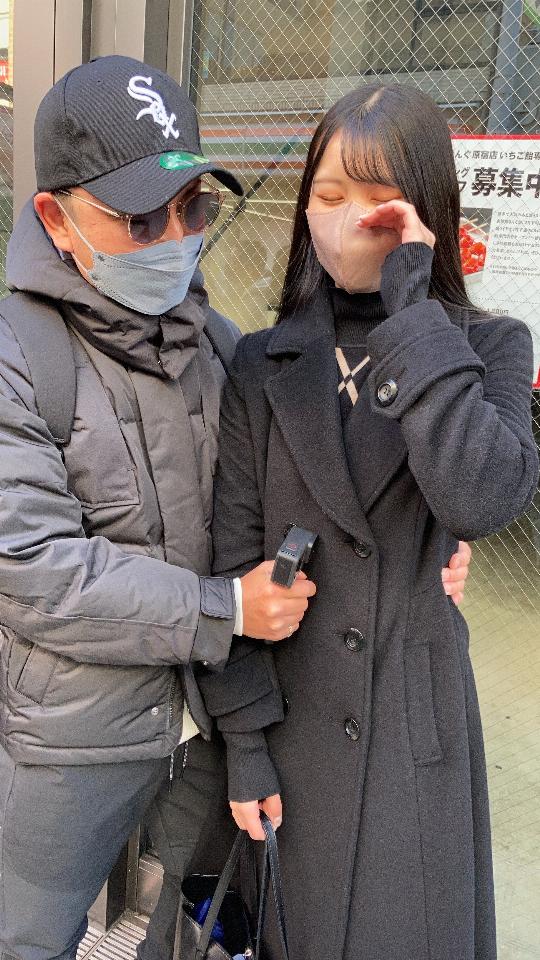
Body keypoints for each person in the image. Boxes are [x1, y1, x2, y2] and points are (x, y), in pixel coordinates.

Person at [201, 84, 539, 960]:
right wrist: (245, 745)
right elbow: (232, 556)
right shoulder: (261, 362)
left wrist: (414, 308)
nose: (348, 219)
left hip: (414, 735)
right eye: (328, 194)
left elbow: (481, 498)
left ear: (424, 211)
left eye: (378, 198)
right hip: (293, 728)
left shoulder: (488, 345)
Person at [0, 55, 319, 960]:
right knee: (27, 936)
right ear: (55, 218)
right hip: (71, 743)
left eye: (193, 207)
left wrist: (427, 537)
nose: (176, 239)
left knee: (194, 926)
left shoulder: (215, 338)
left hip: (210, 726)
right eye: (141, 219)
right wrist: (224, 609)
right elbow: (35, 570)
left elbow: (287, 485)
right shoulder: (18, 355)